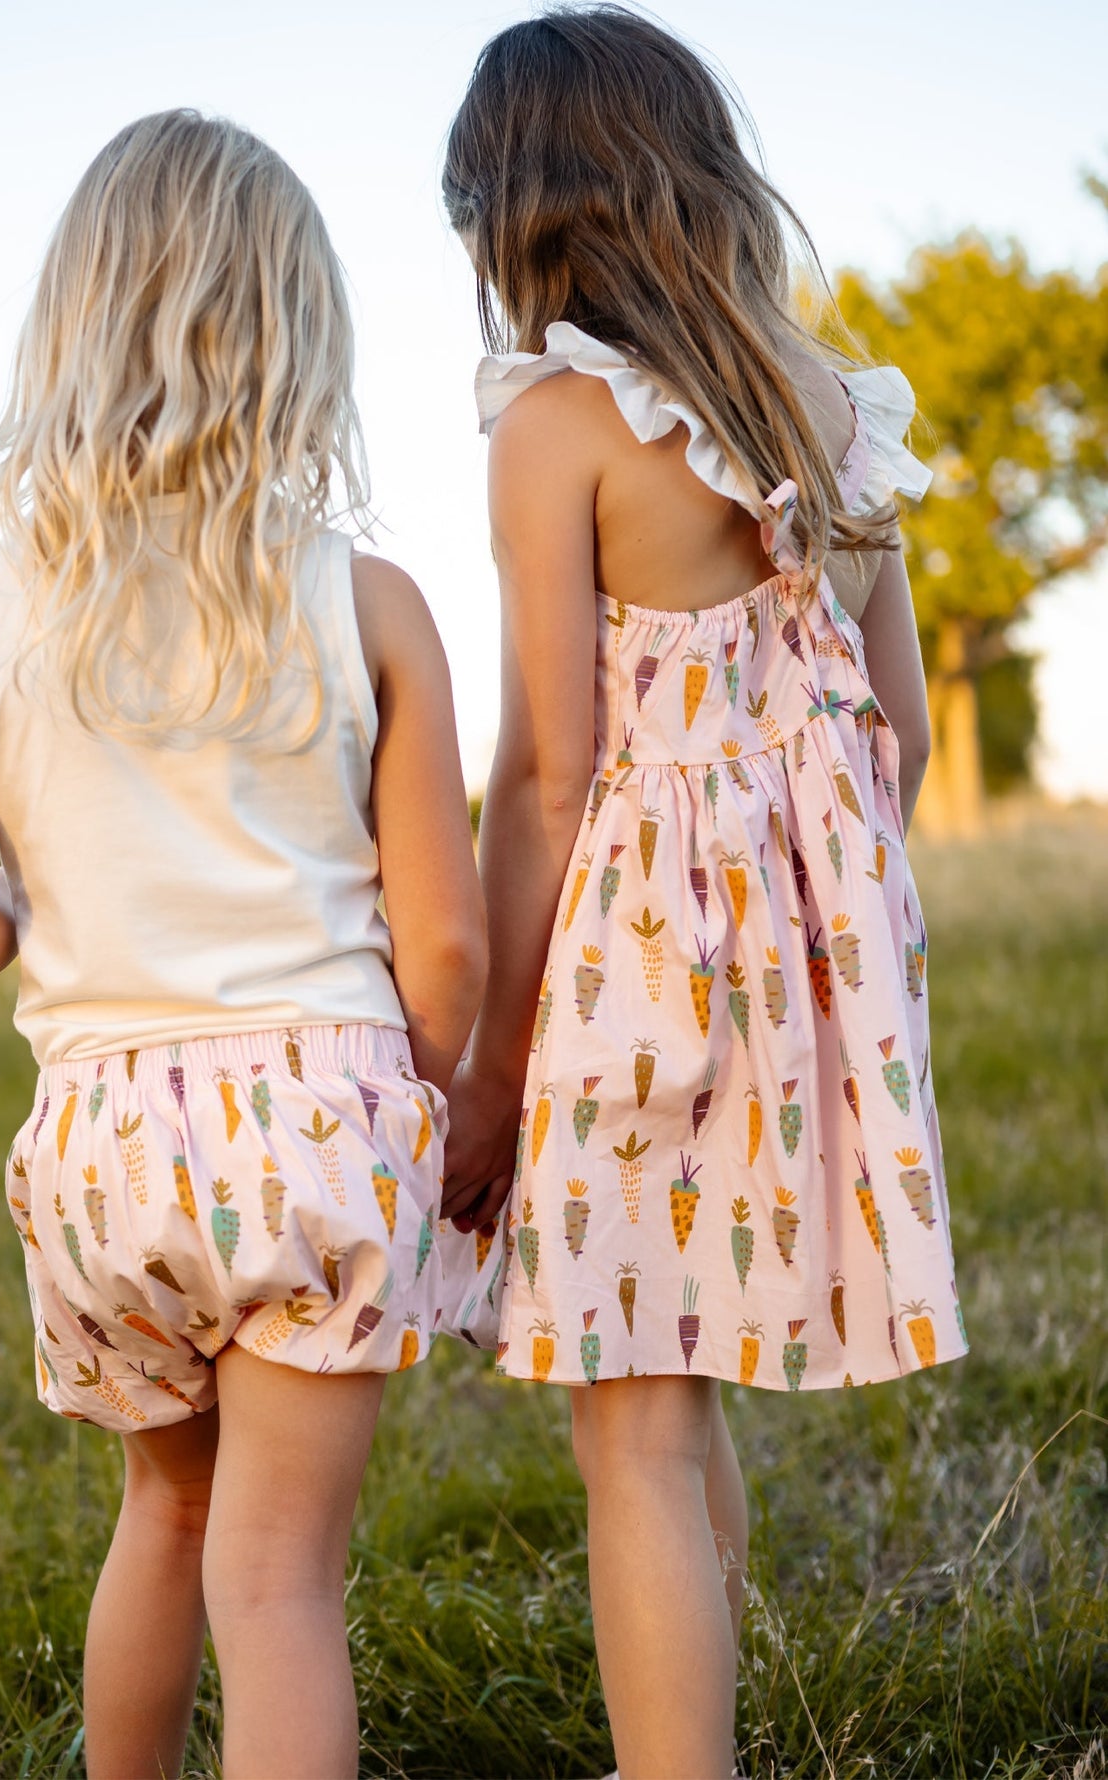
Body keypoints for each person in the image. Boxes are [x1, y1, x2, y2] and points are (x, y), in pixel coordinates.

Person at [0, 110, 486, 1780]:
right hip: (319, 1113)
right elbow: (444, 942)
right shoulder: (368, 604)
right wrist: (423, 1127)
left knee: (165, 1518)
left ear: (70, 324)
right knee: (281, 1575)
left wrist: (49, 897)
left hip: (104, 1143)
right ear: (299, 337)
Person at [435, 9, 966, 1773]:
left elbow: (544, 773)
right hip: (816, 965)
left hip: (638, 969)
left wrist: (494, 1063)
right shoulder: (831, 407)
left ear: (517, 214)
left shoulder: (559, 430)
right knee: (689, 1369)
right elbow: (883, 736)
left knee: (634, 1433)